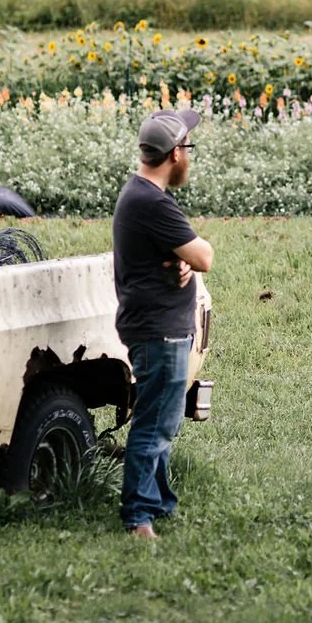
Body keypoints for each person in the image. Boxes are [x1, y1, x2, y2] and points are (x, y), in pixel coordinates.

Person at [113, 109, 214, 539]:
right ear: (176, 153)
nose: (190, 158)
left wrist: (183, 263)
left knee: (163, 420)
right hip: (159, 331)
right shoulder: (151, 202)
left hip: (159, 326)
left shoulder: (143, 196)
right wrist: (192, 258)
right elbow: (205, 255)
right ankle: (138, 518)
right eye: (188, 149)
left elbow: (186, 258)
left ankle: (160, 502)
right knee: (154, 424)